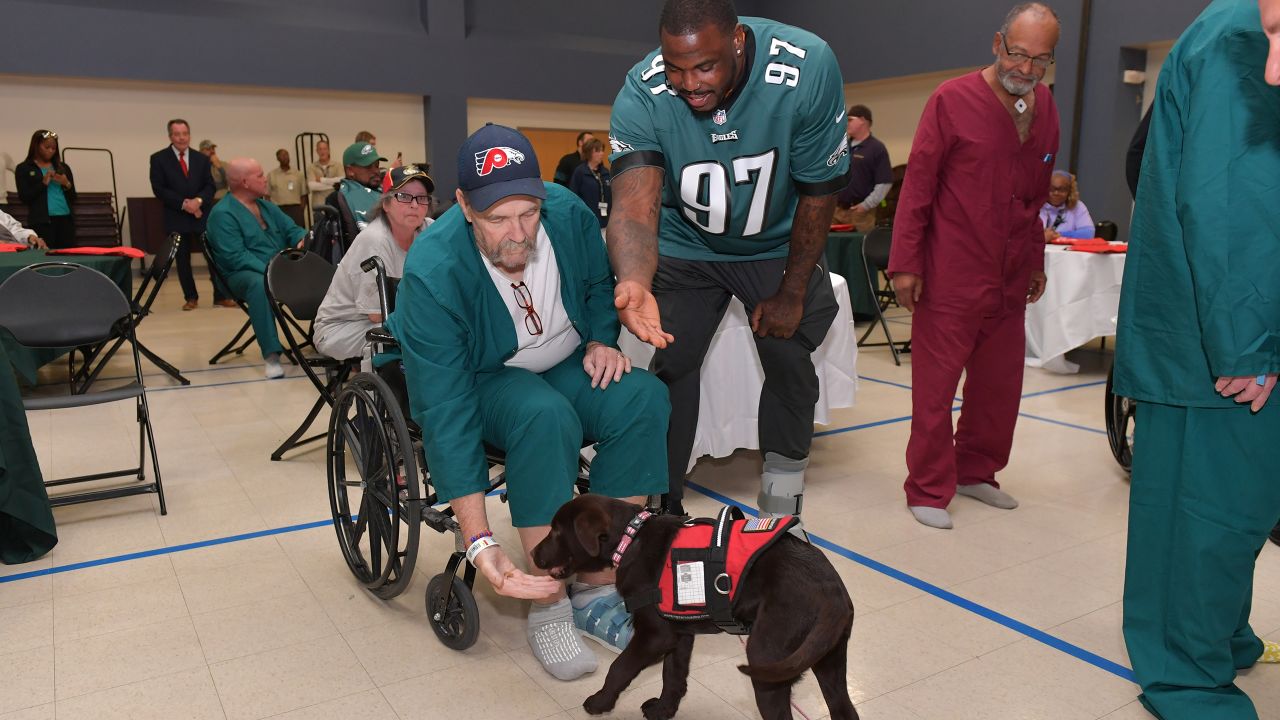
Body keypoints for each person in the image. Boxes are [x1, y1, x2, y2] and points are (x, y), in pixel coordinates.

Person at [387, 124, 668, 681]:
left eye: (527, 213)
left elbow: (594, 284)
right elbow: (445, 411)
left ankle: (598, 587)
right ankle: (549, 605)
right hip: (488, 377)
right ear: (464, 206)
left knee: (643, 398)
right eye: (497, 219)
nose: (517, 234)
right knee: (543, 416)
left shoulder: (566, 211)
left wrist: (601, 339)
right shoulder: (432, 273)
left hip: (567, 358)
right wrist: (479, 539)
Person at [607, 0, 848, 525]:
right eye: (676, 67)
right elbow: (634, 203)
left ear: (737, 41)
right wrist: (634, 279)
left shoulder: (807, 65)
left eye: (705, 67)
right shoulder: (642, 90)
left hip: (774, 243)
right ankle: (662, 507)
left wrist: (793, 289)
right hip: (687, 245)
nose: (689, 83)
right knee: (670, 360)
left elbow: (817, 193)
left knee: (788, 359)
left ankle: (782, 509)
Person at [1115, 0, 1280, 716]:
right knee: (1214, 510)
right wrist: (1248, 342)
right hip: (1222, 333)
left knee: (1202, 507)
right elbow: (1230, 201)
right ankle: (1189, 675)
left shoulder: (1235, 27)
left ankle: (1216, 636)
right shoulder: (1239, 40)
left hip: (1208, 323)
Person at [887, 3, 1061, 530]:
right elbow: (917, 188)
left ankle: (975, 471)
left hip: (1009, 277)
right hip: (951, 272)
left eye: (1041, 60)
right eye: (1019, 54)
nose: (1027, 69)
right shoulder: (951, 100)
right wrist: (905, 264)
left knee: (998, 386)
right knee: (936, 390)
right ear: (997, 43)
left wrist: (1034, 260)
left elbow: (1035, 197)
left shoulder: (1046, 107)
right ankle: (928, 487)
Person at [313, 165, 434, 362]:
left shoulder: (428, 229)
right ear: (386, 204)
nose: (414, 205)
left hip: (391, 319)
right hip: (342, 329)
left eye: (422, 198)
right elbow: (377, 315)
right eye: (404, 196)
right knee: (422, 332)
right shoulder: (374, 240)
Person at [206, 158, 307, 379]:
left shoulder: (266, 206)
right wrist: (273, 272)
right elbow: (236, 257)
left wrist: (303, 239)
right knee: (259, 285)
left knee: (320, 273)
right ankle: (271, 356)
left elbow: (292, 229)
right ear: (244, 182)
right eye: (260, 175)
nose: (265, 179)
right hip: (241, 275)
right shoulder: (222, 214)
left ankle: (324, 338)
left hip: (279, 267)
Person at [149, 119, 232, 310]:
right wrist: (184, 204)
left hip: (201, 214)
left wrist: (198, 201)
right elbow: (159, 188)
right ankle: (191, 298)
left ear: (189, 135)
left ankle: (220, 296)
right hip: (176, 216)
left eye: (185, 133)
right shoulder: (158, 159)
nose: (181, 138)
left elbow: (210, 185)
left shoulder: (201, 159)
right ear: (170, 136)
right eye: (177, 134)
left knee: (213, 256)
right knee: (183, 260)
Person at [834, 105, 893, 233]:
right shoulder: (842, 146)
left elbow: (884, 183)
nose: (846, 123)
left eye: (850, 119)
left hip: (861, 215)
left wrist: (865, 206)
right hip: (837, 212)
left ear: (863, 120)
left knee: (857, 250)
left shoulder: (877, 148)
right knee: (833, 249)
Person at [14, 130, 76, 249]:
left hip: (65, 219)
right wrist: (43, 183)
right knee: (46, 258)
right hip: (42, 222)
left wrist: (66, 183)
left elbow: (73, 197)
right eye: (47, 147)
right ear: (36, 146)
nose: (51, 151)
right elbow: (24, 197)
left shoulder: (63, 167)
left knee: (69, 256)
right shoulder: (24, 168)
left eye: (53, 148)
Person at [329, 142, 384, 231]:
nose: (376, 171)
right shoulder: (339, 198)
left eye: (377, 166)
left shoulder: (385, 190)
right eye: (369, 167)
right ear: (350, 170)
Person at [568, 137, 611, 228]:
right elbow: (573, 196)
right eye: (598, 151)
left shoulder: (605, 172)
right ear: (589, 152)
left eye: (602, 150)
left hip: (605, 220)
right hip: (586, 220)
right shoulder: (580, 172)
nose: (602, 153)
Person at [1039, 170, 1094, 240]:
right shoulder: (1035, 206)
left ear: (1070, 191)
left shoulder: (1078, 206)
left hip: (1066, 250)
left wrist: (1059, 235)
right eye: (1051, 189)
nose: (1056, 193)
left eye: (1062, 190)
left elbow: (1088, 234)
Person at [267, 149, 307, 227]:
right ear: (278, 158)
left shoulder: (298, 174)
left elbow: (304, 194)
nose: (285, 157)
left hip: (295, 209)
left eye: (286, 155)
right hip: (278, 209)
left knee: (298, 233)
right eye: (282, 155)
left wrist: (300, 210)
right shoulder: (272, 175)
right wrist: (271, 210)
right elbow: (267, 195)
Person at [306, 140, 342, 213]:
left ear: (328, 150)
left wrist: (322, 180)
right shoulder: (312, 167)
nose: (322, 151)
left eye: (325, 149)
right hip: (318, 207)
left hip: (335, 205)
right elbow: (312, 186)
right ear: (317, 151)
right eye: (320, 149)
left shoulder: (337, 166)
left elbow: (341, 181)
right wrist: (334, 185)